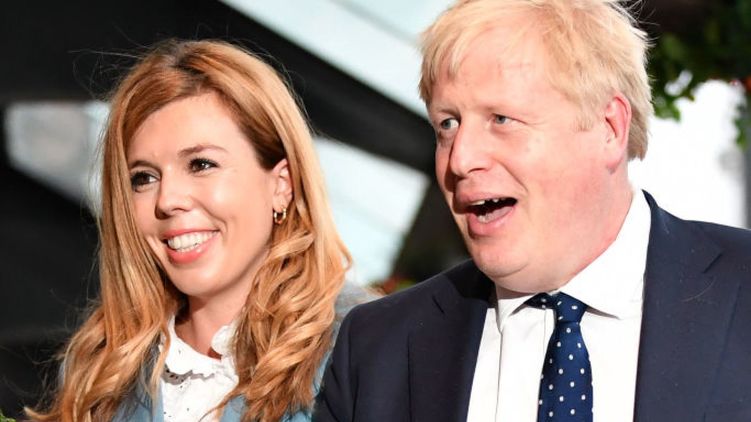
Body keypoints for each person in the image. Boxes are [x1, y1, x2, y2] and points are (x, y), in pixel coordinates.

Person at [314, 0, 751, 421]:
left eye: (500, 119)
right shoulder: (377, 349)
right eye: (447, 124)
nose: (460, 159)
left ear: (609, 128)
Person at [27, 39, 357, 422]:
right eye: (144, 177)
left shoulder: (359, 349)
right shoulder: (99, 370)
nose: (167, 199)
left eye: (201, 164)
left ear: (281, 184)